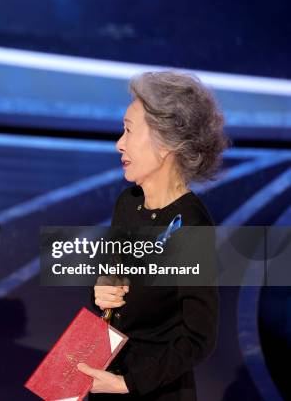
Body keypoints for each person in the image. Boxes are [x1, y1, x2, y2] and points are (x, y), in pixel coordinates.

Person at [78, 71, 227, 400]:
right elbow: (114, 291)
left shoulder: (191, 225)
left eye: (129, 130)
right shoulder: (127, 204)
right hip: (104, 380)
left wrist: (127, 384)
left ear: (166, 145)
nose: (119, 143)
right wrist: (102, 288)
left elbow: (199, 338)